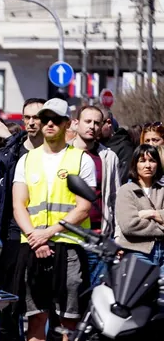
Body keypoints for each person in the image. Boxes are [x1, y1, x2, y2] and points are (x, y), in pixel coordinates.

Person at [12, 98, 95, 341]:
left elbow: (83, 207)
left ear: (67, 124)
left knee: (69, 320)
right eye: (44, 118)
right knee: (36, 318)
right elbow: (19, 204)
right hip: (33, 246)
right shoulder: (27, 160)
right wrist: (36, 237)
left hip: (68, 246)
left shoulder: (81, 160)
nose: (48, 124)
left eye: (56, 119)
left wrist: (48, 233)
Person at [0, 98, 45, 341]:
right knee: (10, 295)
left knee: (42, 297)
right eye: (28, 117)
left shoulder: (55, 153)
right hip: (13, 231)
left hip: (46, 232)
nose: (32, 122)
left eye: (37, 117)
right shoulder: (11, 152)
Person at [70, 105, 120, 284]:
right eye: (87, 121)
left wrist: (116, 237)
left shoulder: (108, 157)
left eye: (97, 123)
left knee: (96, 289)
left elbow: (115, 198)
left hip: (99, 235)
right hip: (70, 235)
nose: (92, 126)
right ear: (76, 123)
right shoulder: (62, 154)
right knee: (71, 289)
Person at [115, 144, 164, 273]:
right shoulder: (126, 191)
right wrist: (160, 220)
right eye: (142, 161)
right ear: (135, 164)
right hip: (138, 252)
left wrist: (151, 213)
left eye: (152, 161)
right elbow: (129, 226)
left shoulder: (162, 190)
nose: (148, 165)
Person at [99, 110, 135, 183]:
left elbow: (122, 179)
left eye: (98, 124)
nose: (94, 127)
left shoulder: (125, 147)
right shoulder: (95, 145)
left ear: (108, 123)